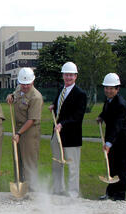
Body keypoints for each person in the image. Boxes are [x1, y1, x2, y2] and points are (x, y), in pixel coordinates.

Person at [48, 62, 87, 198]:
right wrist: (54, 105)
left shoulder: (80, 94)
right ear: (63, 75)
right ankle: (58, 190)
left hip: (71, 135)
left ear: (75, 76)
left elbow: (78, 116)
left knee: (72, 166)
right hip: (57, 134)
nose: (68, 77)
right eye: (66, 75)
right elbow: (60, 104)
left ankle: (73, 193)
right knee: (57, 164)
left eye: (71, 75)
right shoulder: (61, 89)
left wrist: (62, 124)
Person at [6, 68, 43, 191]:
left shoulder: (36, 97)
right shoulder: (18, 89)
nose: (25, 86)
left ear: (33, 81)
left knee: (29, 162)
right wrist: (10, 96)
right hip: (18, 129)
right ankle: (20, 185)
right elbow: (15, 95)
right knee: (18, 159)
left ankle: (32, 190)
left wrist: (18, 133)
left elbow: (31, 120)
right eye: (23, 83)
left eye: (28, 84)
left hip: (29, 131)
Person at [97, 73, 126, 201]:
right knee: (111, 165)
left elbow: (118, 126)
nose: (108, 90)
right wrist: (101, 117)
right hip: (111, 138)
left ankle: (120, 195)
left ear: (117, 89)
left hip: (122, 140)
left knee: (121, 168)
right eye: (106, 88)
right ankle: (110, 193)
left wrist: (109, 143)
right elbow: (106, 112)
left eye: (111, 88)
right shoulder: (108, 100)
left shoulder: (121, 104)